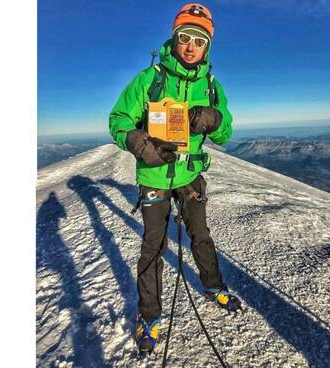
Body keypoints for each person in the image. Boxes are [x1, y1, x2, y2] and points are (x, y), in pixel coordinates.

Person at [109, 3, 241, 353]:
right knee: (154, 245)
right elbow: (119, 119)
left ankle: (214, 285)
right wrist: (138, 142)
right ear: (175, 38)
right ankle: (149, 315)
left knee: (200, 235)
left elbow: (226, 132)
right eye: (185, 37)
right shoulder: (149, 79)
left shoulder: (212, 86)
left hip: (191, 175)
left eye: (199, 40)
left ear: (207, 46)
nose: (190, 46)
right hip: (154, 174)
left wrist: (213, 118)